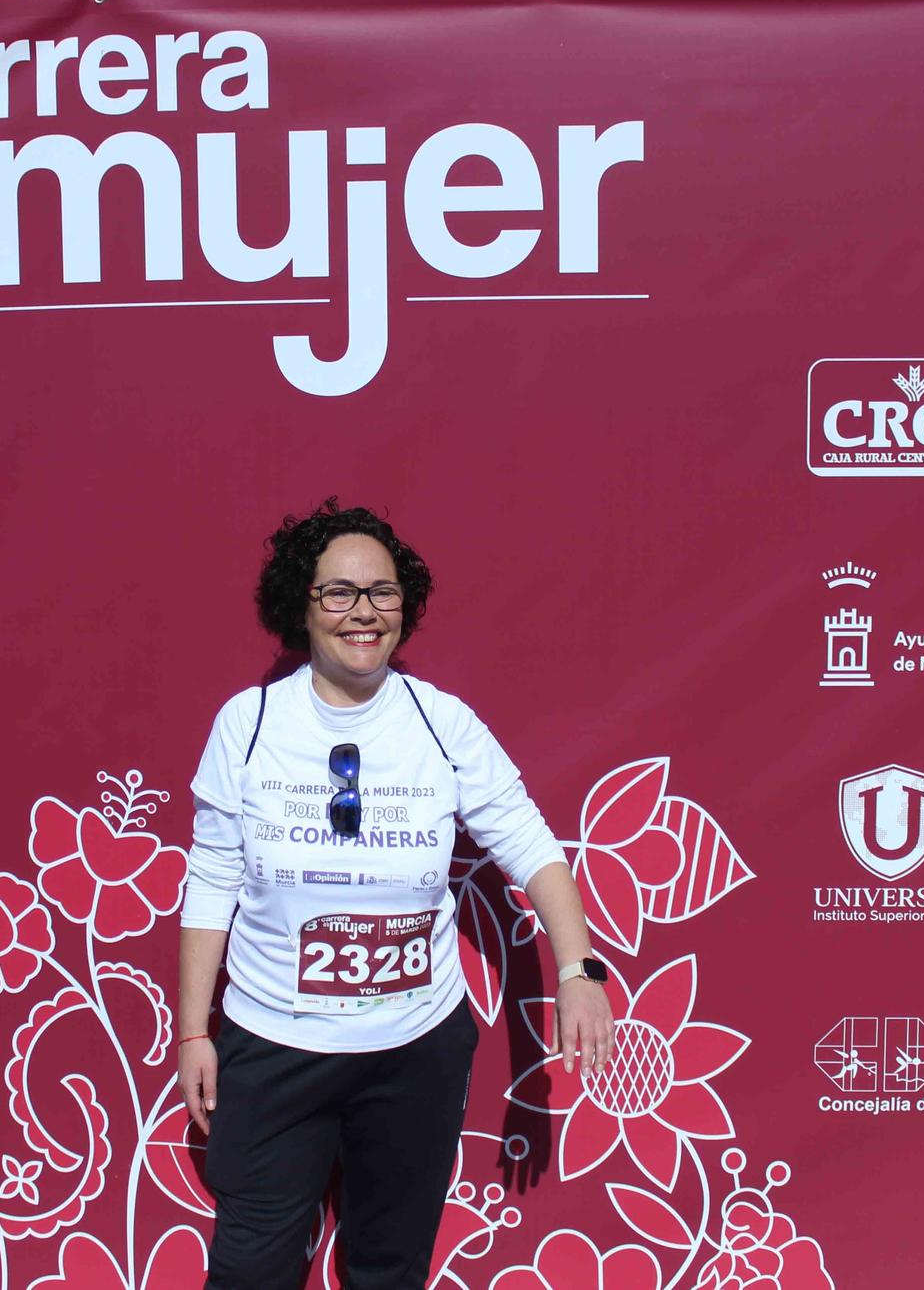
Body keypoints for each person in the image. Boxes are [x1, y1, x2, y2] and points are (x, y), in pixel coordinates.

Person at [177, 499, 616, 1290]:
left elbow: (529, 842)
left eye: (382, 591)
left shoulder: (442, 723)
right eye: (338, 592)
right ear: (299, 604)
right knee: (251, 1266)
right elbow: (211, 878)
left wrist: (577, 970)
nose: (363, 612)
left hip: (414, 1051)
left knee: (388, 1269)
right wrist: (191, 1033)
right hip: (275, 1046)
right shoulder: (248, 725)